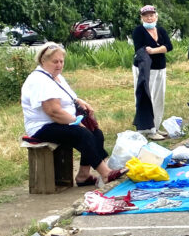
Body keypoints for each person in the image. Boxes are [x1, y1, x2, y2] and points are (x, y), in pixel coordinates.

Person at [21, 43, 123, 187]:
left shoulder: (55, 77)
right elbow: (53, 112)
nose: (59, 65)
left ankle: (83, 176)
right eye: (55, 62)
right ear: (43, 61)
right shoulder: (40, 80)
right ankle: (106, 173)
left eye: (61, 61)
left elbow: (69, 97)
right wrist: (75, 121)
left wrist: (80, 101)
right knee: (82, 134)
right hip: (42, 127)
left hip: (58, 122)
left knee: (96, 133)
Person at [131, 5, 172, 141]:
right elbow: (141, 49)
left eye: (151, 15)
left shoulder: (161, 30)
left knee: (159, 98)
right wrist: (161, 48)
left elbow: (169, 46)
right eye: (146, 16)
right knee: (147, 97)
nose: (149, 18)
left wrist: (154, 50)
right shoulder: (138, 31)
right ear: (142, 18)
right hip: (145, 70)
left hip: (160, 68)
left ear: (156, 16)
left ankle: (156, 126)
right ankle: (148, 129)